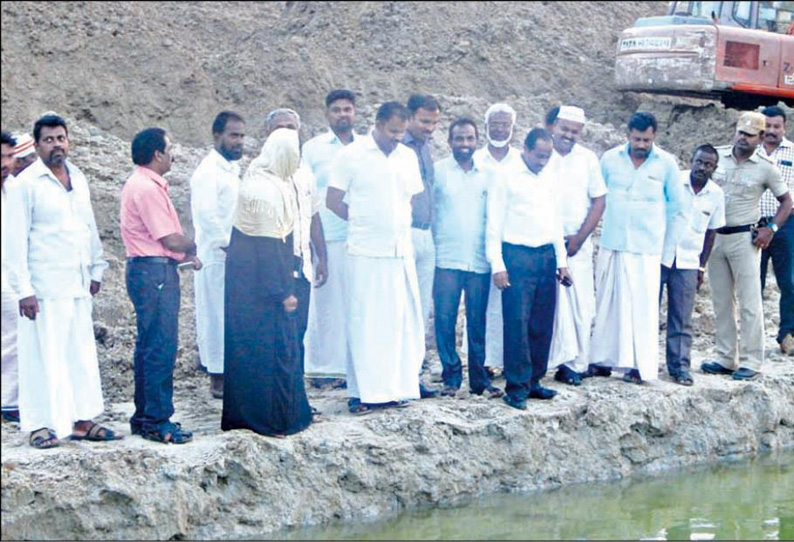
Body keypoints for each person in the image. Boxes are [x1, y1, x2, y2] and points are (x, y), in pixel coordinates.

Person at [5, 114, 117, 448]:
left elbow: (88, 227)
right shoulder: (26, 184)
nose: (57, 145)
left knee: (79, 355)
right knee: (41, 356)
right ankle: (39, 426)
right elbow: (14, 243)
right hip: (43, 288)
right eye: (50, 140)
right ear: (37, 146)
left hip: (77, 283)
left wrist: (96, 269)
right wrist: (24, 290)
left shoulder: (78, 178)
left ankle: (82, 420)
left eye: (62, 138)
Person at [327, 101, 425, 414]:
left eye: (402, 133)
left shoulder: (407, 156)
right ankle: (363, 393)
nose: (398, 138)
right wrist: (362, 221)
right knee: (364, 323)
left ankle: (394, 388)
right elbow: (332, 200)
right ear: (378, 124)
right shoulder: (351, 155)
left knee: (396, 324)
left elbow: (409, 198)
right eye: (393, 132)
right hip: (364, 252)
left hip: (398, 252)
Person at [222, 128, 312, 437]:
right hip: (258, 292)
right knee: (264, 356)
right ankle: (268, 422)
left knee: (273, 352)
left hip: (260, 286)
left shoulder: (274, 182)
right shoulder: (263, 189)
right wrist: (283, 292)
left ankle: (282, 417)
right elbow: (266, 247)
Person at [590, 112, 686, 385]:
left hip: (647, 249)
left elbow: (677, 210)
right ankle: (602, 361)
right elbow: (597, 197)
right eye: (636, 139)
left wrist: (666, 255)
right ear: (627, 135)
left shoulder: (666, 164)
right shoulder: (609, 159)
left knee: (642, 310)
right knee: (607, 306)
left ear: (654, 136)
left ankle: (637, 366)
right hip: (613, 243)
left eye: (646, 139)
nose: (641, 144)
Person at [121, 127, 201, 444]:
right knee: (160, 346)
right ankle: (156, 419)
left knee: (149, 345)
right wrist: (194, 247)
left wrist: (182, 254)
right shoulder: (147, 188)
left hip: (149, 271)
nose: (173, 154)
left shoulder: (141, 183)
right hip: (154, 275)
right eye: (170, 148)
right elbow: (168, 238)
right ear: (157, 154)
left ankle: (145, 417)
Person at [487, 128, 572, 410]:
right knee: (517, 323)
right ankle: (516, 388)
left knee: (541, 323)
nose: (542, 161)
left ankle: (535, 380)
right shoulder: (505, 176)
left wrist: (561, 262)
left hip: (545, 255)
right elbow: (494, 223)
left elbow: (555, 221)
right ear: (525, 149)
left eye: (547, 156)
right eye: (538, 155)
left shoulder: (551, 176)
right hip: (516, 255)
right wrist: (497, 265)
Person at [702, 112, 791, 380]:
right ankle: (725, 356)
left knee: (750, 300)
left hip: (744, 238)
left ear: (760, 137)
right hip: (716, 237)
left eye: (749, 135)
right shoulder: (717, 158)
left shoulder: (766, 167)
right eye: (740, 132)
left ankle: (752, 361)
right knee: (720, 299)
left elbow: (787, 202)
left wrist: (771, 229)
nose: (742, 139)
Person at [432, 117, 502, 398]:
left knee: (477, 321)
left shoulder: (488, 174)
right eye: (459, 139)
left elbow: (494, 218)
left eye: (469, 139)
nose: (464, 144)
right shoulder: (438, 172)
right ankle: (450, 377)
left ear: (477, 141)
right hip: (446, 258)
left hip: (478, 260)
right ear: (449, 142)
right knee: (445, 319)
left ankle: (479, 379)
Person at [263, 108, 328, 375]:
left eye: (291, 128)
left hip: (303, 267)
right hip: (275, 268)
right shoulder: (262, 174)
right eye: (280, 128)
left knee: (297, 334)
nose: (286, 133)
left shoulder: (305, 173)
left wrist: (322, 257)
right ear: (268, 134)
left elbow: (313, 217)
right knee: (276, 336)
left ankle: (295, 400)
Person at [546, 106, 607, 387]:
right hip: (544, 243)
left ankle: (574, 364)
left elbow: (599, 202)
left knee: (581, 306)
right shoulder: (541, 154)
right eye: (564, 129)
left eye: (574, 131)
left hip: (577, 244)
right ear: (553, 127)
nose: (568, 135)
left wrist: (579, 239)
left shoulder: (588, 159)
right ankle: (544, 363)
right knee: (548, 307)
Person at [303, 89, 357, 388]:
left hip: (360, 238)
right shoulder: (313, 149)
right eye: (336, 110)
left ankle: (352, 368)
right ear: (327, 114)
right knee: (325, 306)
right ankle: (322, 370)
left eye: (347, 109)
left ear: (355, 112)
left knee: (355, 304)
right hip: (326, 237)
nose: (342, 114)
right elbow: (305, 194)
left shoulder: (366, 147)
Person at [189, 111, 245, 400]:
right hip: (215, 256)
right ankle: (217, 379)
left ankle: (231, 374)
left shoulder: (231, 169)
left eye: (241, 136)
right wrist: (228, 244)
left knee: (232, 317)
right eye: (233, 135)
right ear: (217, 136)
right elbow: (207, 215)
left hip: (234, 256)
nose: (238, 141)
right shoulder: (207, 171)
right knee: (215, 316)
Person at [660, 145, 725, 386]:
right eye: (699, 162)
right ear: (691, 159)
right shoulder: (674, 180)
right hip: (660, 255)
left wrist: (701, 267)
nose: (702, 167)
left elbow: (711, 233)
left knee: (682, 316)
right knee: (647, 311)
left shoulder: (716, 194)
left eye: (708, 164)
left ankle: (679, 367)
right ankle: (639, 366)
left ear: (714, 169)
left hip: (688, 261)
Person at [473, 103, 524, 378]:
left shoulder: (520, 160)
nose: (500, 129)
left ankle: (509, 358)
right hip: (478, 241)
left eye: (505, 124)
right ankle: (487, 360)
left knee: (509, 303)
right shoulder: (476, 160)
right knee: (483, 304)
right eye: (495, 124)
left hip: (512, 241)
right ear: (486, 126)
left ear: (513, 128)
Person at [403, 94, 441, 399]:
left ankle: (413, 376)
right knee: (402, 309)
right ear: (409, 117)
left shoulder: (425, 148)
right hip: (405, 234)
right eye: (424, 121)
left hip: (427, 235)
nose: (429, 128)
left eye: (433, 122)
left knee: (420, 311)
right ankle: (400, 376)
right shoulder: (398, 148)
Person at [756, 106, 794, 355]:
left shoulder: (793, 153)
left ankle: (787, 334)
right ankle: (753, 336)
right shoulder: (750, 151)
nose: (771, 131)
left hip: (787, 225)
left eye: (776, 126)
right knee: (752, 283)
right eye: (767, 126)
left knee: (789, 282)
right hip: (754, 226)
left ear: (784, 127)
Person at [1, 131, 20, 423]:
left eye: (9, 157)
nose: (5, 163)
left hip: (10, 270)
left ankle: (9, 400)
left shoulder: (15, 188)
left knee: (14, 332)